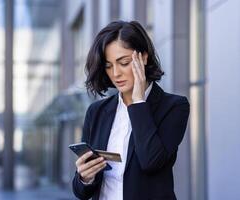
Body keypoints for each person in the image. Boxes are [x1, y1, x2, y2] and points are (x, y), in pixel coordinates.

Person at [72, 20, 190, 200]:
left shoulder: (174, 107)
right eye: (108, 65)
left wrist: (138, 102)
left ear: (143, 57)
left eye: (124, 62)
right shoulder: (96, 111)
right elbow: (80, 191)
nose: (115, 73)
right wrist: (85, 177)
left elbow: (151, 161)